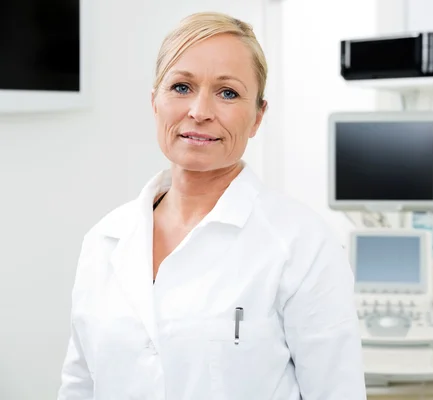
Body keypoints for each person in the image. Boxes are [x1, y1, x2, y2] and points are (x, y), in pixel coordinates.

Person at [57, 11, 366, 400]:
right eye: (182, 87)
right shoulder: (104, 241)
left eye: (228, 93)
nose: (200, 111)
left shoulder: (303, 245)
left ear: (257, 117)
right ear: (155, 102)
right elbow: (79, 386)